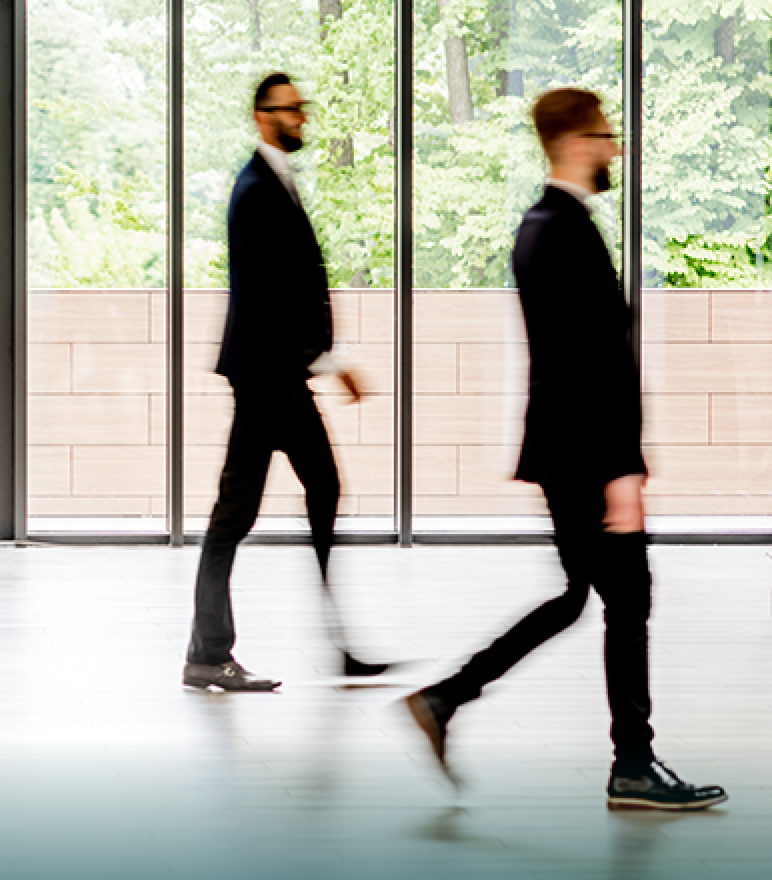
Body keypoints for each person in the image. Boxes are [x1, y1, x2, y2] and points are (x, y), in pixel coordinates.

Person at [403, 90, 725, 810]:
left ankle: (447, 699)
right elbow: (591, 365)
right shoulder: (560, 232)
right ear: (574, 141)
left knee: (584, 596)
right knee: (624, 597)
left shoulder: (546, 226)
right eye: (604, 136)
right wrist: (621, 472)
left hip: (567, 449)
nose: (612, 148)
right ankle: (631, 766)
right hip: (585, 455)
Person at [182, 73, 389, 693]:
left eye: (302, 108)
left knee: (315, 491)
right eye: (291, 110)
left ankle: (329, 645)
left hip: (278, 379)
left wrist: (326, 358)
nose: (302, 117)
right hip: (269, 381)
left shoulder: (276, 183)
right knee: (234, 519)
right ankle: (208, 653)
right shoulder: (255, 191)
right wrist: (329, 361)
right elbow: (267, 297)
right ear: (262, 117)